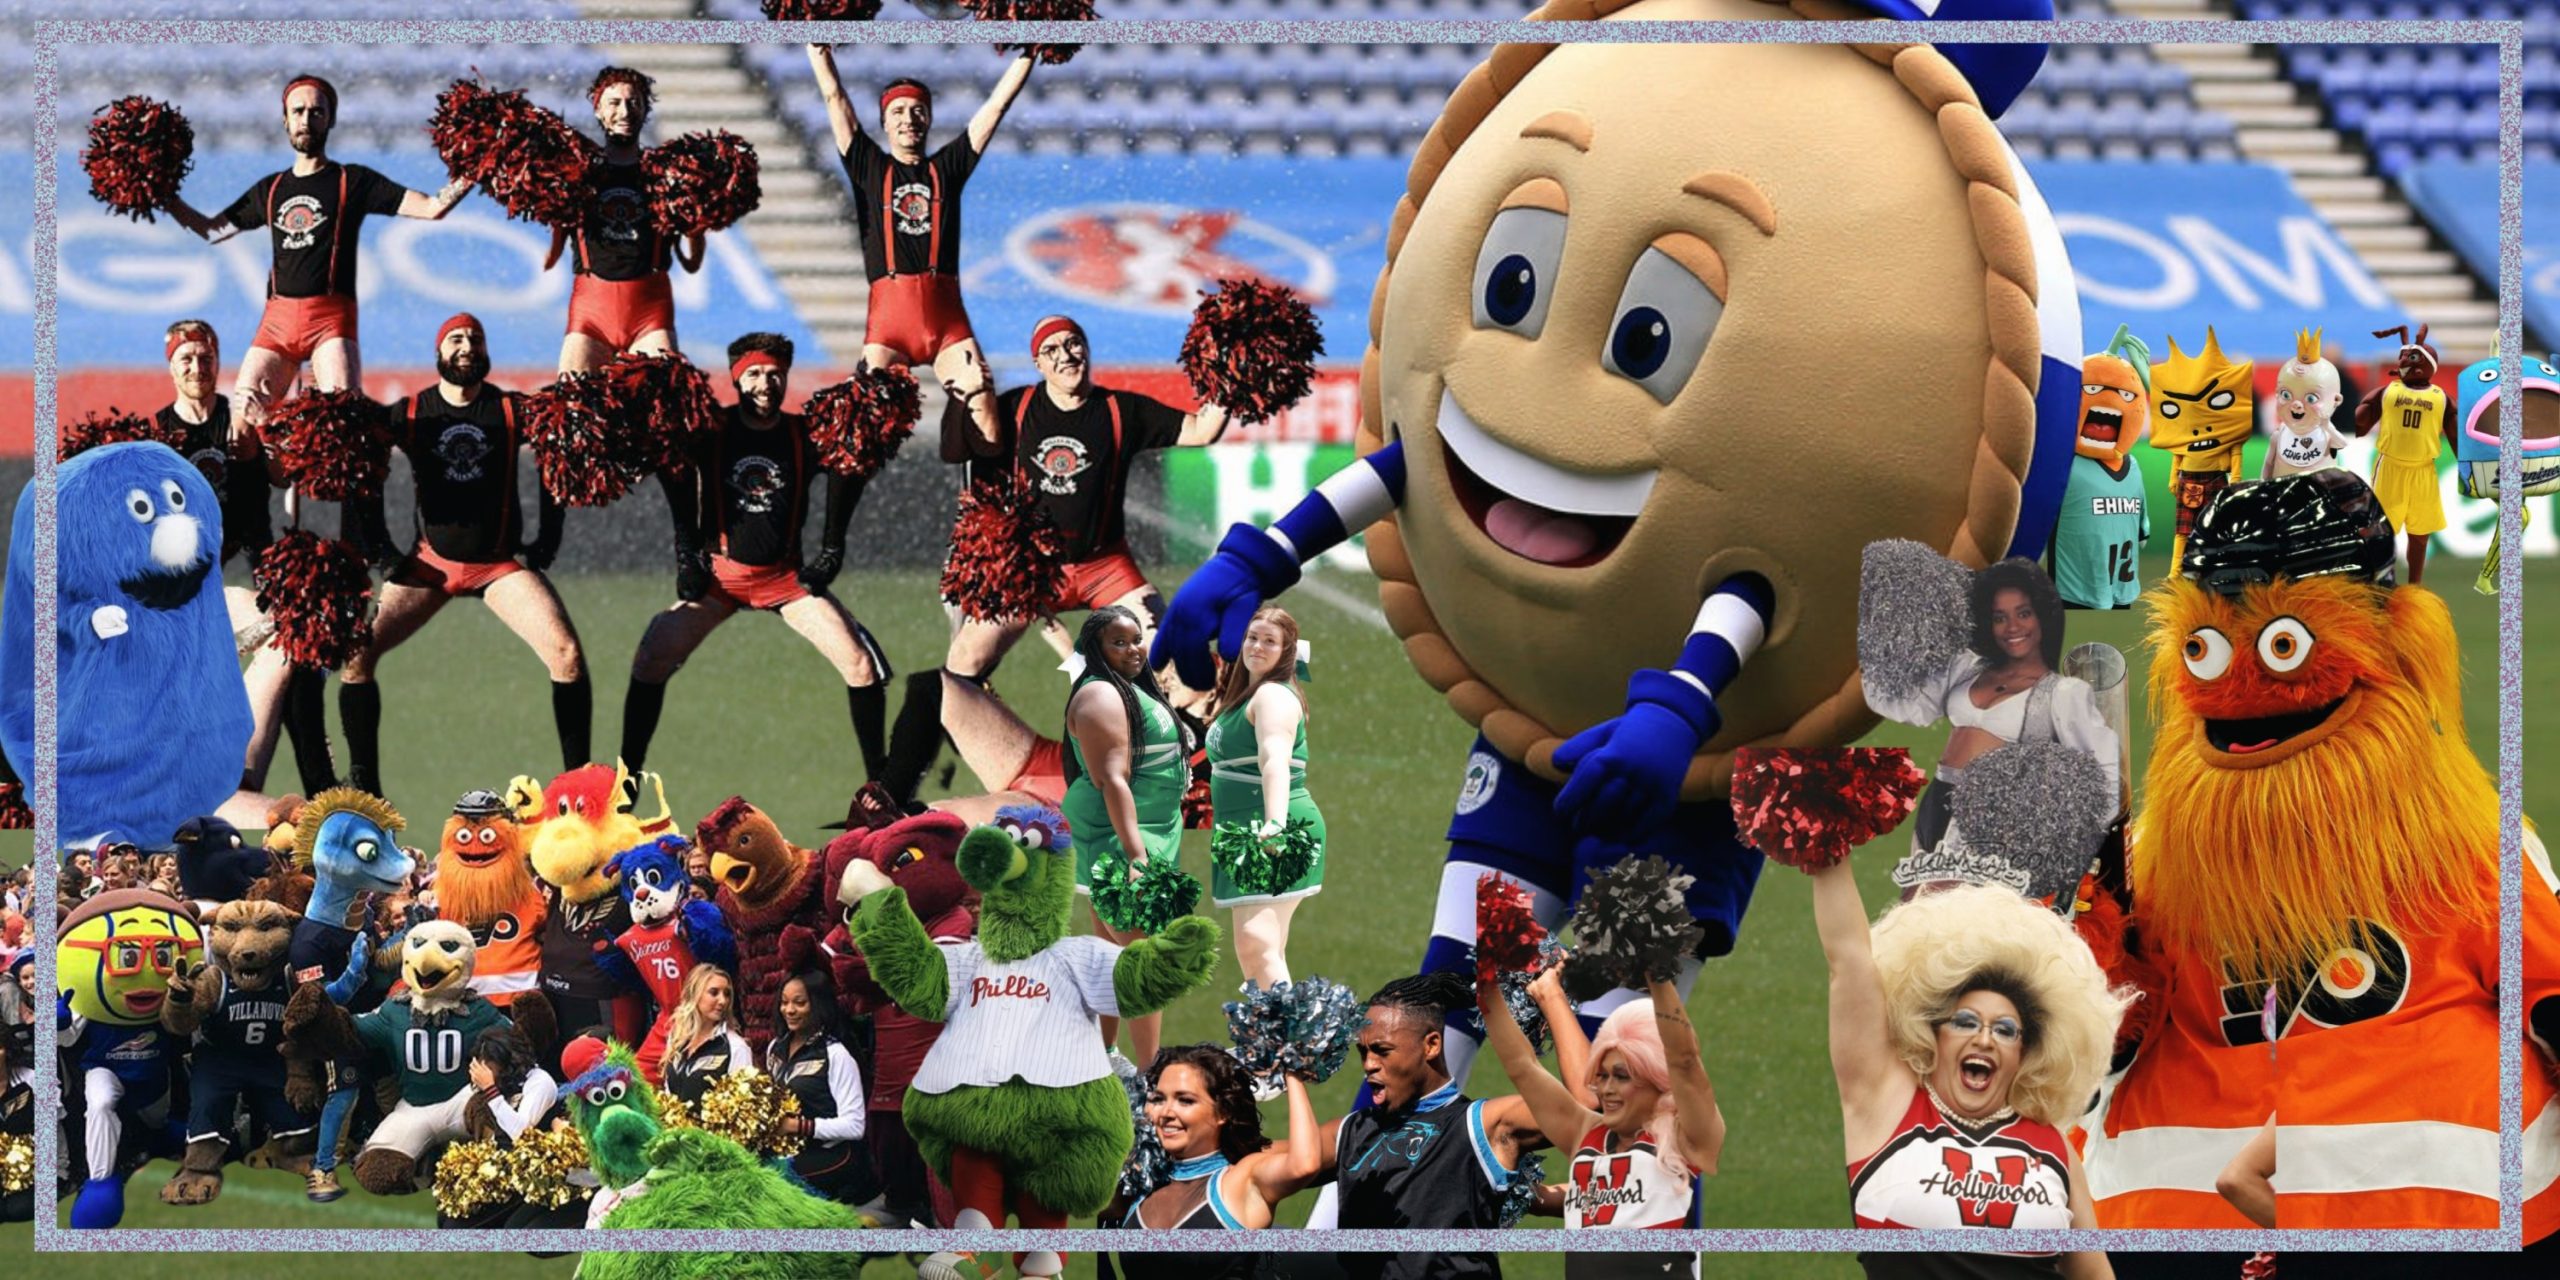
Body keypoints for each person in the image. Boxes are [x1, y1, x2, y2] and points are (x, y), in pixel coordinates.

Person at [1810, 864, 2119, 1278]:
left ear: (2025, 1052)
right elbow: (1849, 963)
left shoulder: (2054, 1149)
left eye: (2006, 1030)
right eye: (1966, 1022)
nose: (1985, 1039)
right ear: (1933, 1033)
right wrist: (1829, 853)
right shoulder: (1885, 1105)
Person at [620, 333, 891, 783]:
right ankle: (626, 780)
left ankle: (880, 787)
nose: (765, 383)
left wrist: (831, 549)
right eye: (754, 375)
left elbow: (853, 466)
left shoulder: (803, 434)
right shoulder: (713, 431)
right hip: (720, 579)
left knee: (860, 665)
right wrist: (686, 553)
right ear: (737, 381)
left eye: (774, 375)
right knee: (652, 656)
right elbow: (671, 468)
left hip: (784, 581)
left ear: (786, 379)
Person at [340, 314, 584, 799]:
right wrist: (382, 550)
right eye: (456, 339)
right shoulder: (412, 413)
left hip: (497, 566)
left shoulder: (512, 410)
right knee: (355, 655)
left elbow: (561, 449)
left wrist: (547, 537)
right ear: (439, 353)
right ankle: (365, 785)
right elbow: (358, 462)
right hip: (431, 565)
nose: (467, 346)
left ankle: (579, 785)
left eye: (475, 339)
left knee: (567, 654)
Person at [941, 315, 1233, 683]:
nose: (1065, 355)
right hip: (1028, 573)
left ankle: (1176, 738)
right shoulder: (1015, 407)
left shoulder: (1121, 410)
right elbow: (957, 450)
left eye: (1073, 343)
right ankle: (964, 735)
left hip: (1105, 566)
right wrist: (961, 393)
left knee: (1165, 654)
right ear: (1039, 364)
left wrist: (1231, 380)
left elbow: (1200, 430)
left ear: (1087, 348)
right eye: (1051, 349)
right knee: (963, 661)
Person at [165, 75, 471, 422]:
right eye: (298, 111)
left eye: (316, 111)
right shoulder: (271, 188)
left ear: (330, 119)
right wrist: (165, 197)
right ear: (285, 119)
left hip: (331, 322)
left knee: (342, 419)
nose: (306, 119)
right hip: (276, 324)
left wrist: (477, 169)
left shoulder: (353, 180)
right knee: (242, 420)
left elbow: (432, 208)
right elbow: (212, 230)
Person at [1863, 560, 2118, 902]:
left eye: (2024, 613)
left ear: (2043, 616)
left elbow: (2106, 776)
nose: (2012, 626)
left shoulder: (2063, 693)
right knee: (1914, 913)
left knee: (1960, 919)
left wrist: (2069, 844)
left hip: (1994, 819)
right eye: (1999, 617)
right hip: (1938, 800)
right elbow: (1908, 705)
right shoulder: (1968, 668)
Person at [804, 46, 1030, 423]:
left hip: (947, 321)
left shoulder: (948, 167)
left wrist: (1031, 52)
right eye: (898, 111)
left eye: (917, 110)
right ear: (885, 123)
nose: (908, 118)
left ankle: (980, 481)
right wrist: (817, 47)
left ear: (928, 120)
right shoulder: (869, 165)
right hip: (889, 325)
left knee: (985, 412)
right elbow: (834, 95)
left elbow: (996, 108)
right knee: (863, 426)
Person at [1277, 973, 1544, 1280]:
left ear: (1431, 1045)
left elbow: (1586, 1109)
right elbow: (1264, 1162)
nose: (1368, 1064)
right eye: (1363, 1052)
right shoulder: (1351, 1132)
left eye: (1382, 1050)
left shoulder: (1482, 1125)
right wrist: (1289, 1068)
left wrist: (1550, 999)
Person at [1479, 965, 1720, 1255]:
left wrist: (1655, 971)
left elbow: (1685, 1060)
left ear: (1653, 1079)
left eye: (1621, 1077)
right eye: (1602, 1076)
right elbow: (1522, 1066)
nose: (1605, 1089)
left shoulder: (1684, 1139)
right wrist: (1486, 983)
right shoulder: (1590, 1137)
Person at [153, 319, 295, 800]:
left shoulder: (239, 423)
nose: (197, 367)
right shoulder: (156, 433)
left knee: (286, 642)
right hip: (175, 589)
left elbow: (271, 494)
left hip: (233, 574)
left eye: (206, 358)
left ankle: (246, 774)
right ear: (171, 366)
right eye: (186, 359)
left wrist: (257, 449)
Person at [1063, 606, 1191, 1069]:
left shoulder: (1126, 689)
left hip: (1148, 829)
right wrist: (1137, 855)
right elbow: (1113, 780)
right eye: (1119, 642)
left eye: (1137, 638)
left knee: (1111, 954)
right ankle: (1152, 1072)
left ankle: (1101, 1056)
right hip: (1121, 838)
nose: (1133, 649)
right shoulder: (1100, 697)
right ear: (1096, 649)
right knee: (1144, 960)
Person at [546, 66, 706, 376]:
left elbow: (694, 253)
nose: (624, 111)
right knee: (574, 409)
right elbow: (556, 238)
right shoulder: (578, 172)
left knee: (660, 411)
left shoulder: (667, 173)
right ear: (598, 109)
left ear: (646, 109)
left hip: (651, 311)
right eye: (614, 102)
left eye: (634, 102)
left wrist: (698, 224)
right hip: (590, 310)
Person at [1099, 1044, 1301, 1277]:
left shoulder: (1243, 1175)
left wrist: (1294, 1074)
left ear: (1223, 1112)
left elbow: (1305, 1161)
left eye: (1185, 1100)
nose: (1166, 1112)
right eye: (1158, 1099)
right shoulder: (1140, 1178)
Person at [1203, 606, 1323, 989]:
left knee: (1259, 944)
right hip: (1244, 826)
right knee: (1254, 948)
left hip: (1269, 825)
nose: (1257, 646)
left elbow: (1275, 760)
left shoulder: (1273, 696)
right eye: (1252, 637)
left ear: (1286, 650)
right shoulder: (1249, 693)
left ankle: (1294, 1045)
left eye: (1270, 641)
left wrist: (1275, 823)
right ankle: (1271, 1042)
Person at [765, 970, 879, 1209]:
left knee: (774, 1184)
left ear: (817, 1005)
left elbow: (855, 1126)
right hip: (790, 1151)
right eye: (784, 1002)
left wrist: (796, 1126)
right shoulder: (775, 1048)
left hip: (832, 1155)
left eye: (800, 1003)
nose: (789, 1010)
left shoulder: (836, 1054)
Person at [442, 1024, 559, 1229]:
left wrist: (491, 1090)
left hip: (533, 1173)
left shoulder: (540, 1082)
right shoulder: (503, 1082)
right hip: (501, 1166)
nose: (483, 1070)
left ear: (508, 1062)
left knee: (455, 1230)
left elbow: (521, 1134)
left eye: (489, 1064)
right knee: (444, 1218)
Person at [659, 963, 751, 1105]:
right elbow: (668, 1094)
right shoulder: (677, 1038)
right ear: (695, 994)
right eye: (714, 993)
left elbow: (744, 1107)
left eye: (727, 994)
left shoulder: (736, 1047)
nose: (722, 1001)